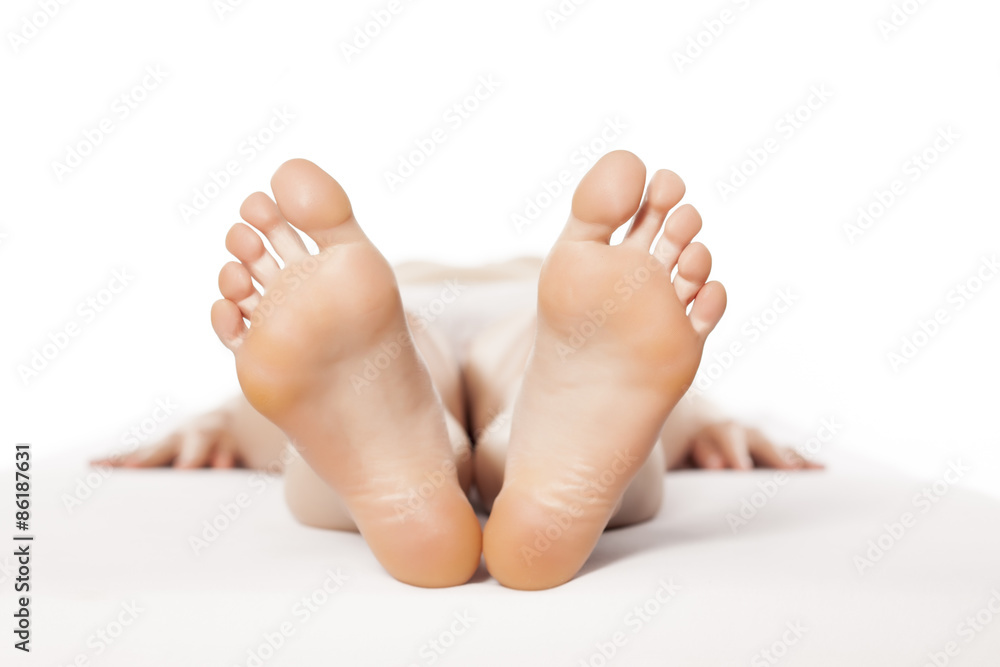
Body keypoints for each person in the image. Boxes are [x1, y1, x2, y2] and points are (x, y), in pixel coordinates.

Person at [99, 151, 819, 590]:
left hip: (410, 326)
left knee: (385, 366)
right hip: (525, 323)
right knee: (537, 361)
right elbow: (649, 373)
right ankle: (517, 454)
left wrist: (220, 421)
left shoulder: (367, 291)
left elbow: (278, 388)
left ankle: (422, 459)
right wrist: (699, 419)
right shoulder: (559, 286)